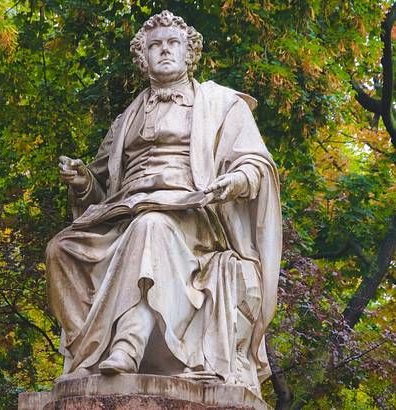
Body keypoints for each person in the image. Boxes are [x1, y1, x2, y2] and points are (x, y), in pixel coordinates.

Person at [45, 10, 281, 395]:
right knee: (60, 250)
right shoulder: (125, 121)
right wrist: (82, 180)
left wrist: (232, 181)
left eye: (173, 43)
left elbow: (255, 163)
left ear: (190, 54)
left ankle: (128, 344)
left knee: (150, 226)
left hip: (192, 216)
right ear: (143, 59)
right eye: (155, 46)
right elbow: (101, 188)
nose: (164, 51)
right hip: (123, 215)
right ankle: (87, 355)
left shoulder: (222, 104)